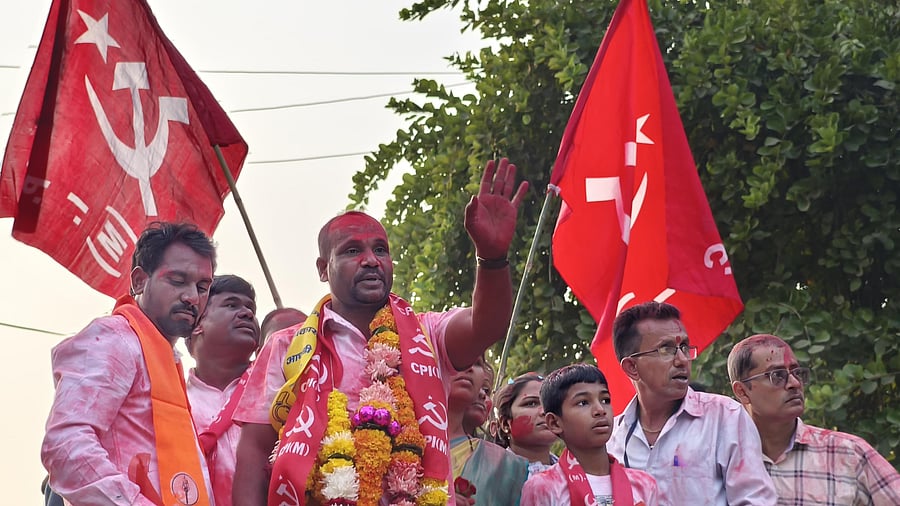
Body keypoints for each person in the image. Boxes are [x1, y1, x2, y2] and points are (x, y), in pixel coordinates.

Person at [233, 158, 528, 506]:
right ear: (322, 269)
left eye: (380, 250)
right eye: (352, 250)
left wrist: (492, 258)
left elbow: (487, 324)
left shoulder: (425, 333)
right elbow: (254, 451)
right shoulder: (286, 346)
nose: (371, 260)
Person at [41, 222, 216, 505]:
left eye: (202, 286)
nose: (192, 297)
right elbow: (66, 446)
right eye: (177, 280)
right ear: (139, 281)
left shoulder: (167, 361)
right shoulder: (114, 339)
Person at [606, 301, 777, 505]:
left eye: (684, 347)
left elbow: (755, 500)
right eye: (666, 349)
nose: (682, 359)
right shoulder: (611, 439)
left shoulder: (725, 418)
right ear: (632, 367)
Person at [728, 334, 900, 505]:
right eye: (777, 375)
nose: (794, 383)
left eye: (797, 372)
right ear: (742, 391)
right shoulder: (720, 460)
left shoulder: (847, 453)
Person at [521, 363, 658, 506]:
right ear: (554, 423)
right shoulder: (544, 488)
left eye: (605, 400)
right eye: (583, 403)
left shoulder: (643, 485)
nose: (600, 409)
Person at [185, 274, 261, 506]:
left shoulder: (280, 393)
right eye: (231, 304)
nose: (248, 313)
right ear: (197, 325)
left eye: (251, 308)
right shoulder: (168, 401)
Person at [450, 356, 529, 506]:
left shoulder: (505, 466)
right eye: (457, 359)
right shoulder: (401, 435)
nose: (469, 368)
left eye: (478, 363)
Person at [493, 372, 559, 476]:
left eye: (550, 404)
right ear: (505, 423)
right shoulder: (491, 475)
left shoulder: (577, 472)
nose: (545, 411)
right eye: (531, 403)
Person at [462, 358, 494, 439]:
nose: (482, 394)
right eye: (469, 383)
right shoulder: (426, 441)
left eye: (486, 390)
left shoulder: (491, 451)